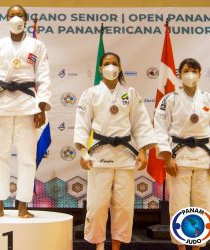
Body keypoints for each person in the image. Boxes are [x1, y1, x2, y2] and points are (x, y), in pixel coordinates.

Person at [0, 5, 51, 218]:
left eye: (19, 15)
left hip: (28, 106)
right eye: (11, 15)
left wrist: (42, 106)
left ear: (26, 19)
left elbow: (43, 77)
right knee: (0, 157)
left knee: (27, 158)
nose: (15, 18)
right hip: (2, 106)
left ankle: (23, 205)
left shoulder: (36, 45)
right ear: (6, 19)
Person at [74, 52, 156, 250]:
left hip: (125, 157)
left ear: (119, 68)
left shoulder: (130, 93)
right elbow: (82, 125)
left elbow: (141, 124)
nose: (110, 67)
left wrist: (144, 152)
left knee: (124, 207)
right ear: (101, 69)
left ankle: (117, 246)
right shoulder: (91, 94)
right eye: (106, 64)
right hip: (99, 157)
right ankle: (99, 246)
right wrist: (83, 153)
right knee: (97, 205)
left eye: (114, 64)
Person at [154, 58, 210, 250]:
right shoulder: (169, 99)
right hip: (179, 159)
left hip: (204, 160)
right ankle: (181, 247)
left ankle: (197, 247)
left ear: (200, 74)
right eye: (186, 70)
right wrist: (167, 157)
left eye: (194, 70)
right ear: (179, 74)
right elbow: (160, 129)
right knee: (179, 205)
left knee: (203, 205)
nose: (190, 74)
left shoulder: (208, 98)